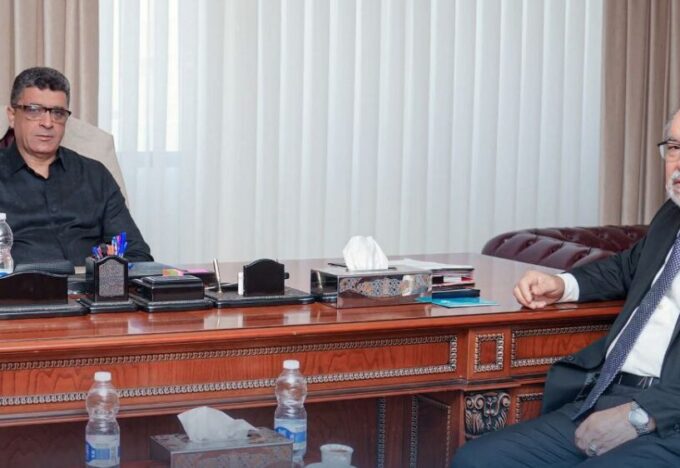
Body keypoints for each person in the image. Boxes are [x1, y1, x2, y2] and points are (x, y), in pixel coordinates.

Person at [452, 109, 680, 467]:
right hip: (609, 394)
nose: (678, 164)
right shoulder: (671, 215)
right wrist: (561, 284)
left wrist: (641, 415)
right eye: (674, 147)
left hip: (667, 419)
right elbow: (626, 267)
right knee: (478, 460)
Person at [0, 66, 152, 266]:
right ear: (12, 116)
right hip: (20, 284)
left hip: (90, 283)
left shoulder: (95, 176)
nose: (48, 123)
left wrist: (102, 276)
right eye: (34, 110)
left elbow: (137, 254)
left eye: (58, 113)